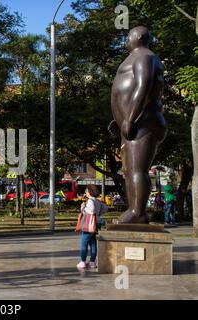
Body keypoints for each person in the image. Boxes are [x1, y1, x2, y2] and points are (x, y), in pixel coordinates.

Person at [110, 26, 167, 224]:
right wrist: (121, 118)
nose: (125, 41)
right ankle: (133, 209)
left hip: (143, 122)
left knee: (137, 169)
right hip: (133, 124)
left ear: (139, 37)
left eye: (128, 37)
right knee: (129, 170)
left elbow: (144, 86)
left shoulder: (145, 57)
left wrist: (129, 118)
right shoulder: (136, 56)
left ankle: (138, 212)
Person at [76, 184, 108, 270]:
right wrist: (98, 213)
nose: (85, 193)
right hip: (97, 223)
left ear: (90, 192)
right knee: (93, 243)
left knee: (84, 243)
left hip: (89, 223)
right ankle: (92, 262)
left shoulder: (90, 201)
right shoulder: (97, 201)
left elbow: (91, 210)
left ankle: (82, 262)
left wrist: (83, 208)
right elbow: (105, 208)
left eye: (86, 191)